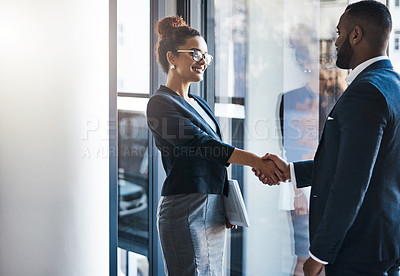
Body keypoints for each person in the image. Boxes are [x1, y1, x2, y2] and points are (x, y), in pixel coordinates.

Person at [257, 1, 400, 275]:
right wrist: (291, 171)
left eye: (339, 33)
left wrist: (318, 255)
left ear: (355, 35)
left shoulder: (365, 91)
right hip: (385, 242)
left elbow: (351, 181)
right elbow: (363, 163)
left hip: (360, 249)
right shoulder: (392, 84)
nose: (335, 42)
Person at [147, 16, 285, 275]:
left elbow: (214, 155)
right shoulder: (160, 104)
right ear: (172, 57)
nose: (203, 61)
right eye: (196, 53)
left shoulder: (201, 105)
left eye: (206, 56)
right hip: (185, 208)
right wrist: (256, 161)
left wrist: (225, 203)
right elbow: (204, 145)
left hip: (212, 210)